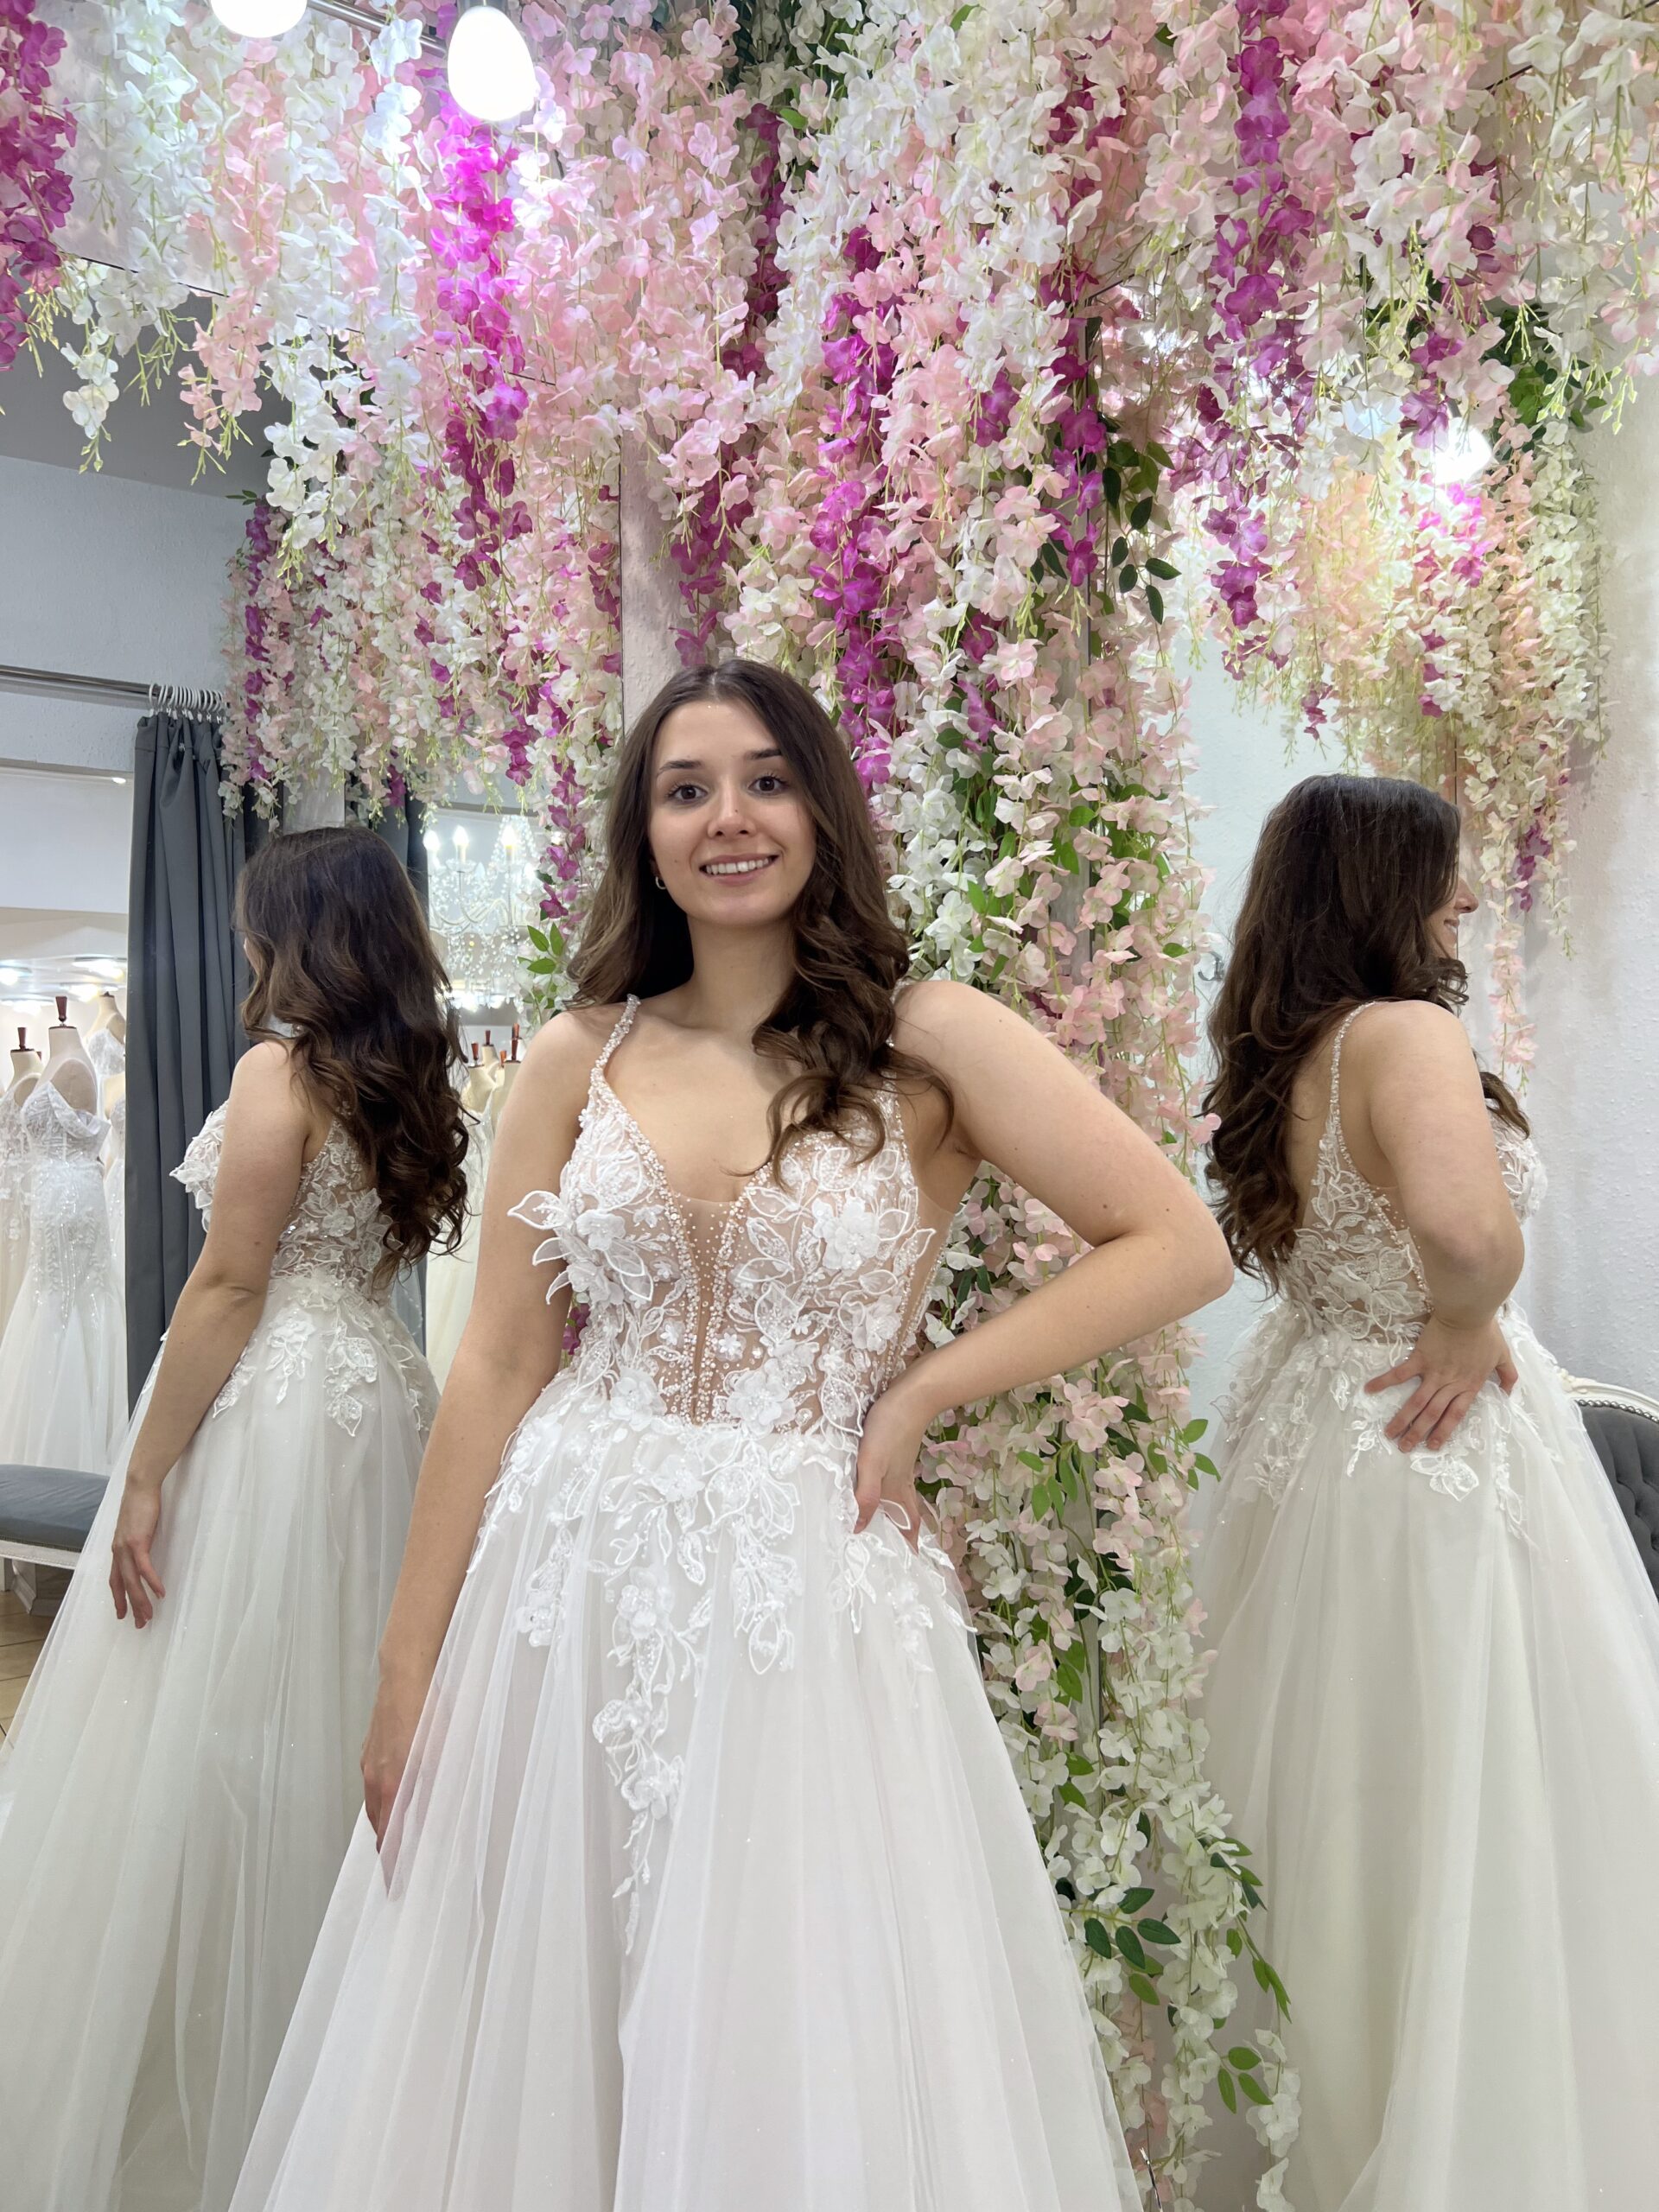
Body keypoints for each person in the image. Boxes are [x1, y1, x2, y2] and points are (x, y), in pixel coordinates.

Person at [228, 659, 1234, 2212]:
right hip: (567, 1584)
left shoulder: (929, 1039)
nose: (729, 819)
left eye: (766, 780)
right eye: (686, 789)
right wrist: (408, 1668)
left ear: (821, 810)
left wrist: (920, 1391)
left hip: (802, 1602)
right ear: (646, 832)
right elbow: (498, 1360)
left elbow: (1174, 1242)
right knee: (544, 2009)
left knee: (784, 2006)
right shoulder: (578, 1053)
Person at [1197, 773, 1659, 2212]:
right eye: (1444, 872)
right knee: (1476, 1793)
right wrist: (1470, 1313)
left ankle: (1331, 2131)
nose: (1465, 897)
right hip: (1426, 1435)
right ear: (1380, 886)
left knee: (1345, 1814)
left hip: (1313, 1433)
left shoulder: (1289, 1053)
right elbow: (1467, 1233)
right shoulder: (1405, 1031)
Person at [0, 826, 467, 2212]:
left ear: (293, 931)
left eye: (258, 923)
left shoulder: (283, 1069)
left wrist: (146, 1469)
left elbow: (228, 1282)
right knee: (328, 1701)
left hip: (276, 1410)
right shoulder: (407, 1076)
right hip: (379, 1399)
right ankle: (328, 2051)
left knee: (213, 1709)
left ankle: (209, 2049)